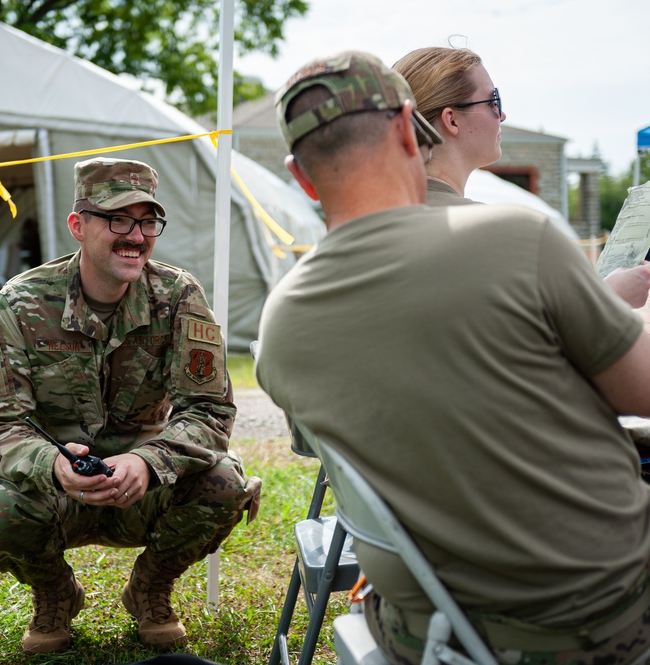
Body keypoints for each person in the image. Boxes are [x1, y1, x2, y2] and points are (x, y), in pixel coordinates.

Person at [256, 50, 650, 665]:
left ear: (300, 177)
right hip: (600, 620)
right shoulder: (518, 240)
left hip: (427, 629)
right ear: (413, 136)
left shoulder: (279, 327)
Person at [0, 156, 261, 654]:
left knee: (226, 482)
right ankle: (55, 594)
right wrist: (53, 465)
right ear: (78, 225)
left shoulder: (179, 297)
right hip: (55, 492)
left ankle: (150, 590)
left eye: (147, 221)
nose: (136, 236)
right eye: (118, 219)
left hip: (145, 489)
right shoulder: (22, 303)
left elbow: (210, 411)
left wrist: (149, 460)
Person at [394, 45, 650, 308]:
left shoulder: (370, 226)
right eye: (494, 101)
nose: (502, 115)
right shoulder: (492, 233)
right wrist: (609, 298)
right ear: (452, 120)